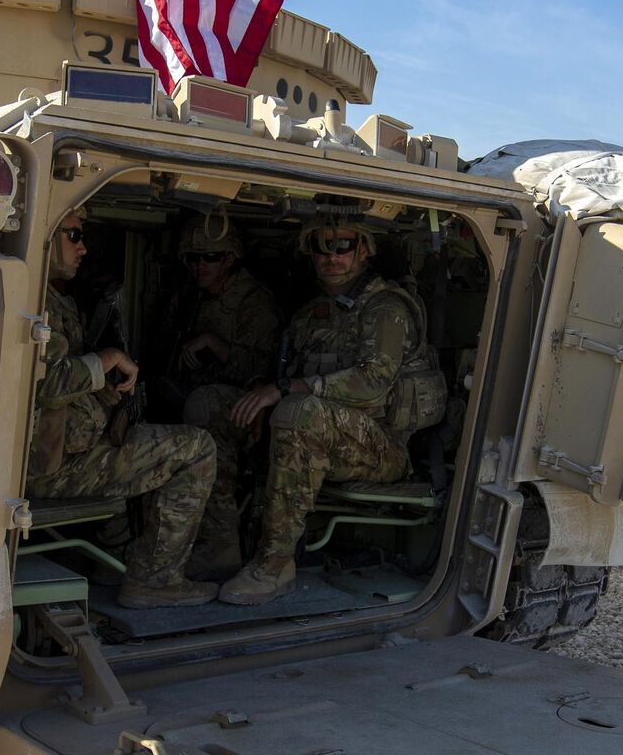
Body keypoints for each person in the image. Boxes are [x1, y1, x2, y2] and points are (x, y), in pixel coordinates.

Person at [212, 217, 445, 605]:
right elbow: (285, 375)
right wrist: (263, 400)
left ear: (364, 251)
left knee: (300, 411)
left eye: (344, 246)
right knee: (216, 404)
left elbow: (372, 382)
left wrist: (286, 391)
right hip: (322, 434)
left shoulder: (385, 308)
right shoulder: (311, 314)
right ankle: (217, 549)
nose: (332, 257)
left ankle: (275, 565)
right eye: (323, 247)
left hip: (383, 447)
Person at [26, 211, 220, 609]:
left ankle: (113, 557)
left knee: (137, 434)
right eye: (74, 234)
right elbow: (45, 383)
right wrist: (108, 358)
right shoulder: (32, 299)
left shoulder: (42, 293)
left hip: (55, 453)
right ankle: (156, 579)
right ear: (43, 234)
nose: (83, 247)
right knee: (196, 448)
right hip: (49, 467)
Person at [160, 219, 282, 580]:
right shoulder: (190, 299)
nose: (201, 265)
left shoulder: (255, 302)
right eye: (194, 258)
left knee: (205, 406)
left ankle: (220, 545)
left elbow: (265, 369)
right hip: (198, 396)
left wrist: (216, 344)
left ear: (229, 259)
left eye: (210, 257)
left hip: (250, 407)